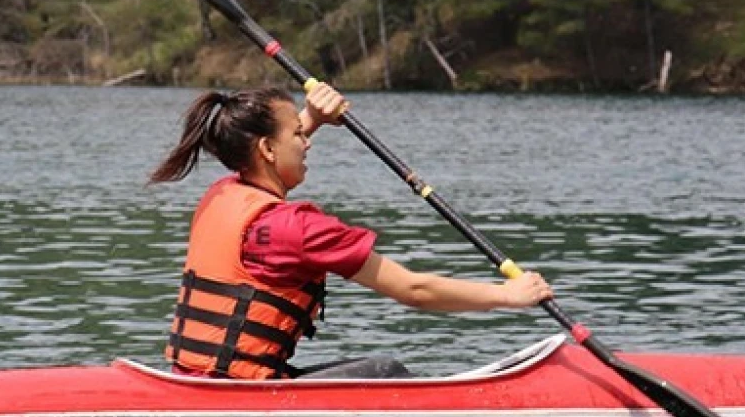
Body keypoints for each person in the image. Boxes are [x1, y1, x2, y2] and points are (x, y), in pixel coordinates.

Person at [149, 83, 553, 380]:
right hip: (244, 392)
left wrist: (313, 117)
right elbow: (413, 290)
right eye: (297, 134)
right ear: (268, 150)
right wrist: (508, 296)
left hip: (195, 378)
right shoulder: (299, 228)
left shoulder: (221, 194)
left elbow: (266, 156)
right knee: (387, 371)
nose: (306, 142)